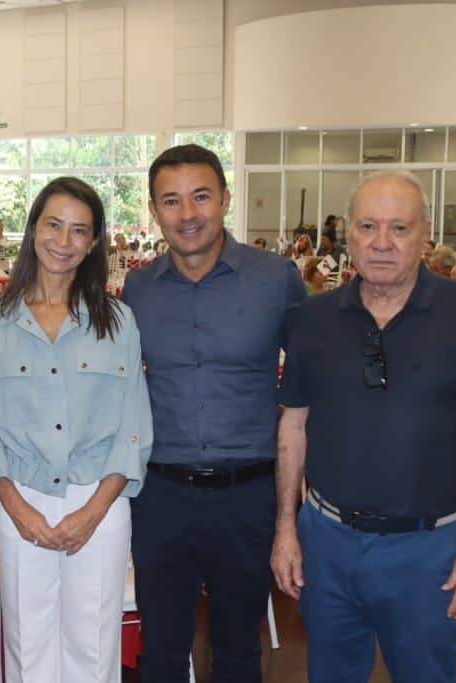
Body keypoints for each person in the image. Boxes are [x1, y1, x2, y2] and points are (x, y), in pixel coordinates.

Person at [273, 171, 456, 683]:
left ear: (425, 234)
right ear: (348, 234)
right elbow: (293, 427)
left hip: (430, 551)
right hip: (327, 540)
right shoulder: (313, 318)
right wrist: (286, 527)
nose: (382, 242)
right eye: (368, 226)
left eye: (399, 227)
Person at [121, 144, 305, 682]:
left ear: (225, 199)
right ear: (153, 210)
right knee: (161, 652)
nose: (187, 214)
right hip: (160, 496)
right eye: (171, 200)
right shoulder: (138, 288)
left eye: (200, 196)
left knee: (238, 652)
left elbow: (309, 383)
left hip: (247, 495)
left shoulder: (276, 278)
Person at [0, 176, 152, 683]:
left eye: (79, 230)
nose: (63, 241)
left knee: (92, 647)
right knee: (26, 645)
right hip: (19, 498)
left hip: (99, 499)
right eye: (53, 225)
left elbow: (133, 427)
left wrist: (93, 511)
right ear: (33, 230)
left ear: (93, 243)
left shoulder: (118, 321)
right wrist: (17, 508)